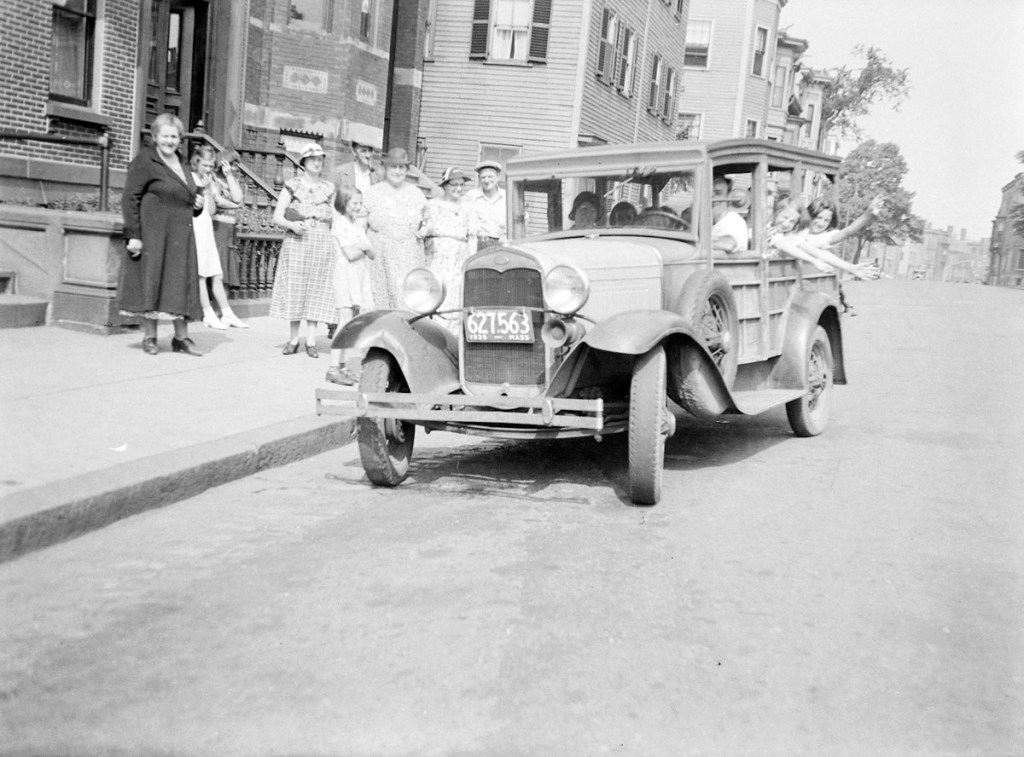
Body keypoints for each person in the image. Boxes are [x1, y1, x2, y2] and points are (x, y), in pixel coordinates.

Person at [118, 112, 205, 357]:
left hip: (180, 235)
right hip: (153, 233)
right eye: (165, 136)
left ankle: (181, 338)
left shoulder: (184, 162)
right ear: (155, 137)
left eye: (174, 136)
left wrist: (197, 204)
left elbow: (186, 196)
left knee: (179, 283)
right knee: (152, 280)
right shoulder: (146, 161)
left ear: (180, 139)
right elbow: (129, 198)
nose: (170, 141)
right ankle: (150, 337)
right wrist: (133, 234)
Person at [269, 143, 337, 357]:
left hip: (321, 242)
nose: (317, 163)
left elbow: (336, 217)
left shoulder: (329, 188)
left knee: (317, 289)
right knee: (296, 286)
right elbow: (277, 215)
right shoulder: (292, 186)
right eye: (313, 159)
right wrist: (292, 225)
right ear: (304, 162)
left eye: (320, 159)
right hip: (298, 242)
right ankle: (293, 339)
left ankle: (311, 340)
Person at [190, 145, 248, 330]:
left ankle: (226, 313)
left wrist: (227, 177)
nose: (208, 169)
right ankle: (208, 312)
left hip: (212, 225)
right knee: (203, 273)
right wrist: (211, 192)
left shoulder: (216, 180)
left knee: (217, 272)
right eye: (205, 165)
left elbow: (236, 199)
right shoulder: (199, 179)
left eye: (210, 165)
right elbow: (216, 204)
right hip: (204, 226)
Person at [364, 147, 428, 310]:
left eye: (401, 167)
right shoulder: (373, 192)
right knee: (380, 302)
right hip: (379, 258)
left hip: (408, 257)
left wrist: (425, 229)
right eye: (393, 167)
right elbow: (360, 227)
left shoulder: (416, 193)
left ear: (407, 170)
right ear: (385, 168)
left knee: (407, 300)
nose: (397, 171)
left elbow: (428, 221)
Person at [325, 187, 374, 386]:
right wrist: (363, 247)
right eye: (354, 203)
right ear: (344, 203)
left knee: (350, 321)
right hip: (345, 274)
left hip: (359, 274)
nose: (358, 207)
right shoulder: (339, 225)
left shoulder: (357, 227)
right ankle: (333, 368)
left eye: (360, 203)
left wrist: (362, 248)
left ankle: (343, 365)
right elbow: (351, 254)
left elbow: (373, 253)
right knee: (344, 320)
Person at [424, 167, 476, 334]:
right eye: (454, 184)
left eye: (462, 185)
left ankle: (452, 339)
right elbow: (425, 233)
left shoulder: (468, 208)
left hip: (458, 258)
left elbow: (472, 237)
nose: (459, 189)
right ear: (445, 185)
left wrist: (470, 261)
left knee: (454, 298)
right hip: (437, 257)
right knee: (435, 296)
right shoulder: (432, 205)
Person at [210, 148, 246, 296]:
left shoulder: (233, 180)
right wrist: (235, 206)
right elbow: (217, 199)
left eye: (237, 165)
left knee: (226, 270)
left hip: (230, 229)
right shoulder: (212, 178)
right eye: (233, 164)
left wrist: (229, 175)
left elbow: (238, 197)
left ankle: (222, 310)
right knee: (217, 267)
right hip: (217, 227)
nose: (235, 168)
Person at [466, 159, 507, 250]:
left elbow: (521, 219)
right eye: (483, 177)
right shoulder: (471, 196)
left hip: (500, 245)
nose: (486, 180)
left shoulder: (506, 197)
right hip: (477, 244)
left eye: (490, 176)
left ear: (498, 177)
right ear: (479, 178)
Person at [711, 176, 749, 253]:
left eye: (717, 193)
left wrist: (703, 243)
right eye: (708, 192)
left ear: (728, 197)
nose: (712, 197)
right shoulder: (706, 222)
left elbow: (731, 243)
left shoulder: (734, 220)